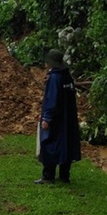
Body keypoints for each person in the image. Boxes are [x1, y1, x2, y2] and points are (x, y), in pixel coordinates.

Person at [35, 49, 81, 184]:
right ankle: (64, 176)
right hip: (67, 118)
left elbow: (52, 99)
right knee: (66, 144)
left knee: (49, 143)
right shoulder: (67, 76)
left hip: (56, 118)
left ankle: (48, 176)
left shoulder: (55, 78)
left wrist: (47, 118)